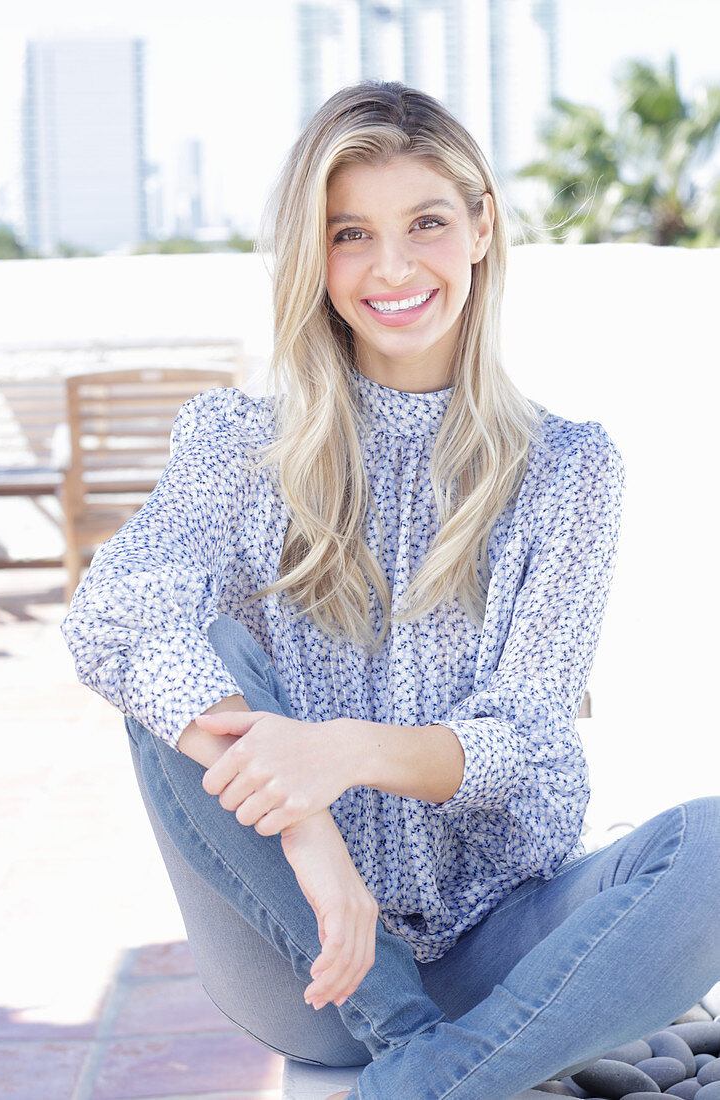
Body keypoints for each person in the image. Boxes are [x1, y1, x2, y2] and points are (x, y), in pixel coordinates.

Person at [61, 81, 719, 1100]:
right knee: (182, 659)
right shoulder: (240, 445)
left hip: (500, 937)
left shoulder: (567, 469)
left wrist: (341, 753)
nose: (394, 265)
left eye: (425, 222)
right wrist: (309, 831)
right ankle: (410, 1037)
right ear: (312, 258)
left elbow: (531, 747)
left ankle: (421, 1074)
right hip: (310, 959)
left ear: (481, 226)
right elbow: (113, 612)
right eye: (350, 232)